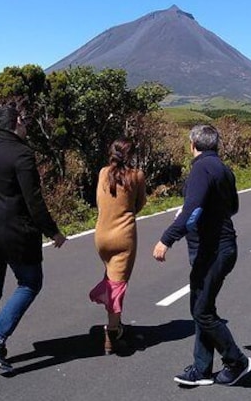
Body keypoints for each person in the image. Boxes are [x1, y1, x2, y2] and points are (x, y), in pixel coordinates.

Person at [0, 102, 67, 372]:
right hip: (13, 233)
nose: (27, 124)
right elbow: (33, 201)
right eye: (24, 120)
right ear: (16, 122)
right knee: (30, 282)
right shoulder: (22, 154)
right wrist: (53, 231)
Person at [152, 125, 251, 387]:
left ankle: (236, 361)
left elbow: (191, 207)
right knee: (202, 308)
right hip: (221, 247)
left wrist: (166, 239)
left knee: (202, 310)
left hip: (213, 250)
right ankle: (201, 369)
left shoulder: (200, 168)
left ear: (193, 144)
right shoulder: (223, 168)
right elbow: (233, 207)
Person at [89, 137, 147, 354]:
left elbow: (98, 200)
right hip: (124, 236)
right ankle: (112, 331)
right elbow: (139, 204)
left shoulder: (103, 173)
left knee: (111, 277)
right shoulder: (137, 176)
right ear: (129, 155)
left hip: (101, 235)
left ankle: (116, 322)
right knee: (118, 284)